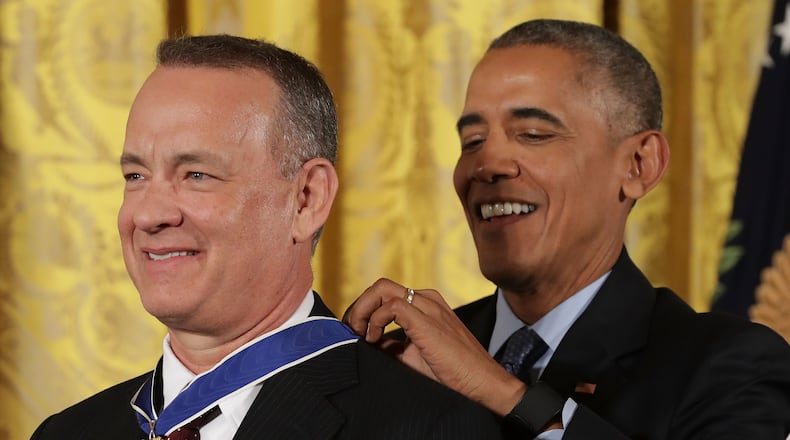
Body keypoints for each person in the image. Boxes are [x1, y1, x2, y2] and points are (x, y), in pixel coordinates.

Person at [31, 35, 503, 440]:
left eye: (196, 174)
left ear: (306, 199)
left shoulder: (427, 427)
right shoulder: (67, 432)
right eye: (136, 175)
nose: (149, 214)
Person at [344, 19, 790, 439]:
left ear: (639, 165)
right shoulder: (404, 361)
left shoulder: (726, 365)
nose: (487, 165)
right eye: (472, 142)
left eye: (534, 133)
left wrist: (501, 391)